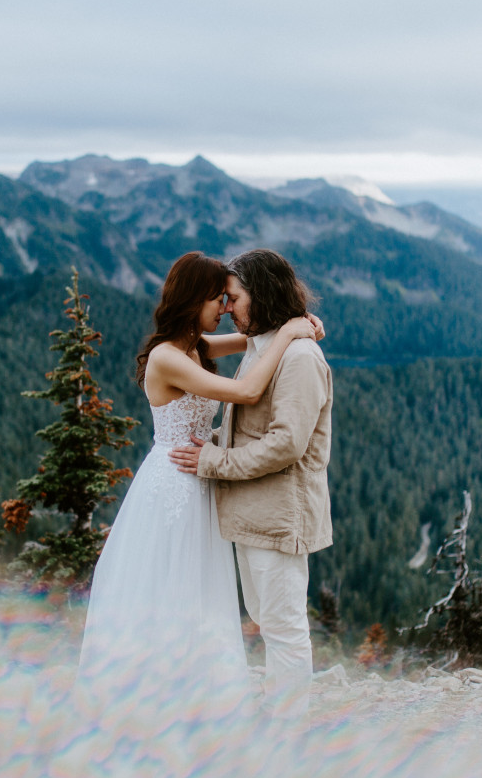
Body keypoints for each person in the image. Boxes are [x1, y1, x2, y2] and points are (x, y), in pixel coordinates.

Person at [77, 252, 321, 715]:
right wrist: (291, 331)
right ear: (195, 300)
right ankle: (160, 701)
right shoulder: (169, 357)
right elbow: (248, 390)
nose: (224, 308)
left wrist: (292, 325)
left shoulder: (196, 346)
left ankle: (198, 697)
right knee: (173, 589)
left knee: (200, 593)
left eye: (228, 299)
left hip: (199, 476)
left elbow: (252, 345)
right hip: (174, 481)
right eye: (217, 299)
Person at [169, 249, 333, 720]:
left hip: (280, 515)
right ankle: (279, 713)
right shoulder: (264, 347)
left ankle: (288, 729)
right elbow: (252, 426)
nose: (228, 307)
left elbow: (285, 445)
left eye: (234, 297)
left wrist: (213, 459)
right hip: (254, 514)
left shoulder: (299, 358)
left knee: (282, 626)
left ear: (259, 296)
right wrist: (216, 441)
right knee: (267, 621)